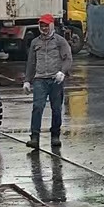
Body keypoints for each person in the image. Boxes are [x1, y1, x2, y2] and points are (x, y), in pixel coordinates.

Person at [23, 13, 73, 147]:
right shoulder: (35, 42)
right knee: (37, 107)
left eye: (46, 25)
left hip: (55, 80)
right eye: (41, 26)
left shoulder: (60, 41)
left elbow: (68, 58)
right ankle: (34, 137)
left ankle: (55, 136)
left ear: (51, 26)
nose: (44, 28)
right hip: (40, 80)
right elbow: (31, 63)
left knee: (56, 108)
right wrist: (27, 80)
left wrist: (62, 72)